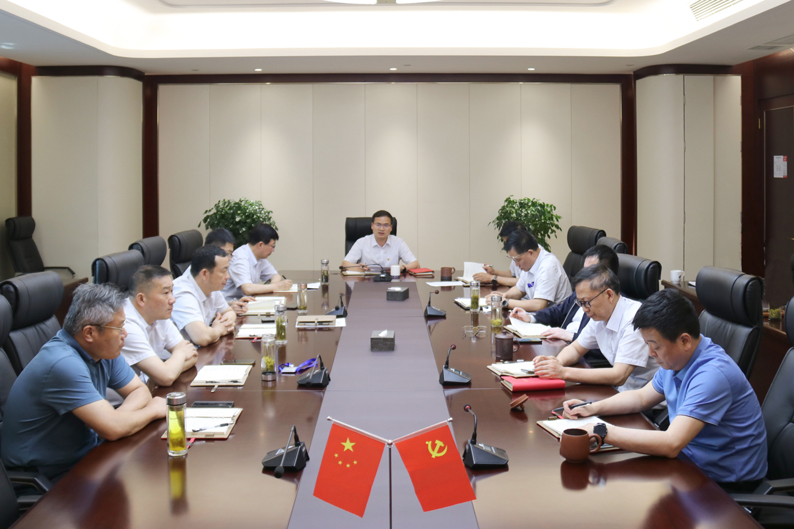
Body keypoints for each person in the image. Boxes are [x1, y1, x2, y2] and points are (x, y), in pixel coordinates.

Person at [563, 289, 767, 489]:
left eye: (656, 346)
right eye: (647, 344)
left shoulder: (712, 375)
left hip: (724, 483)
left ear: (684, 340)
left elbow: (671, 443)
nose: (651, 353)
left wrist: (601, 431)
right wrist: (592, 408)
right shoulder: (677, 359)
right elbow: (641, 398)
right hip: (689, 463)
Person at [1, 284, 167, 481]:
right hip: (46, 477)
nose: (125, 334)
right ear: (89, 333)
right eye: (119, 328)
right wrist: (153, 410)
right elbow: (113, 428)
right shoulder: (63, 363)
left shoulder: (103, 350)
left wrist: (116, 419)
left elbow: (139, 391)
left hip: (86, 457)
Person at [533, 265, 659, 392]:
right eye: (580, 303)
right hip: (622, 391)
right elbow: (576, 349)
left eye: (586, 302)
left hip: (647, 396)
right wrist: (556, 363)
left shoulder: (634, 320)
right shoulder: (599, 316)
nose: (584, 309)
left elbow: (618, 375)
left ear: (609, 295)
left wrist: (563, 372)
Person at [510, 244, 619, 342]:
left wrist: (571, 336)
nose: (585, 276)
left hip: (578, 350)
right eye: (584, 270)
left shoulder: (609, 305)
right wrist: (531, 317)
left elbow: (599, 345)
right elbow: (558, 312)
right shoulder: (581, 292)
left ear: (607, 274)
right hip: (564, 343)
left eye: (590, 271)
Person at [121, 265, 198, 386]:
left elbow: (192, 356)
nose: (173, 299)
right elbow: (166, 377)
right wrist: (180, 353)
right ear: (141, 299)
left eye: (172, 291)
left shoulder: (158, 313)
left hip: (149, 389)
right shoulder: (125, 325)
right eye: (166, 293)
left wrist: (163, 373)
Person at [172, 245, 236, 346]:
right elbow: (202, 337)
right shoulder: (183, 294)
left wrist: (225, 323)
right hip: (177, 354)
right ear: (205, 274)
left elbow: (229, 311)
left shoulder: (211, 285)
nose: (227, 276)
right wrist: (219, 329)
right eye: (223, 271)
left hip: (199, 350)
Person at [501, 229, 571, 311]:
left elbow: (539, 305)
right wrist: (504, 296)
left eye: (517, 260)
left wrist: (506, 303)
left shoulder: (548, 266)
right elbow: (520, 290)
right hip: (541, 314)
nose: (516, 264)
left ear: (530, 253)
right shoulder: (529, 264)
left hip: (557, 317)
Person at [222, 223, 292, 300]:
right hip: (230, 304)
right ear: (260, 244)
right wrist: (276, 286)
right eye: (272, 246)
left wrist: (274, 285)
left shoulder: (260, 258)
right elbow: (247, 289)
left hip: (245, 302)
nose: (273, 250)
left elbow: (275, 276)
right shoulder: (240, 257)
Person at [341, 210, 419, 272]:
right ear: (372, 226)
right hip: (366, 282)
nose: (381, 229)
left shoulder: (398, 242)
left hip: (391, 281)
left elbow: (416, 264)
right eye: (378, 224)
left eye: (386, 225)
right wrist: (359, 268)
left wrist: (402, 268)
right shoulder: (362, 242)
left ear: (391, 228)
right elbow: (344, 264)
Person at [203, 228, 255, 314]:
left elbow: (215, 303)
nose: (229, 259)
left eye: (231, 254)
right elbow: (204, 314)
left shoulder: (213, 269)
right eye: (227, 254)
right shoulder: (199, 275)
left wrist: (232, 304)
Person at [473, 220, 524, 287]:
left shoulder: (528, 252)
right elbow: (512, 274)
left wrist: (492, 278)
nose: (507, 245)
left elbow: (523, 282)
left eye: (507, 242)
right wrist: (494, 272)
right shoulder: (517, 250)